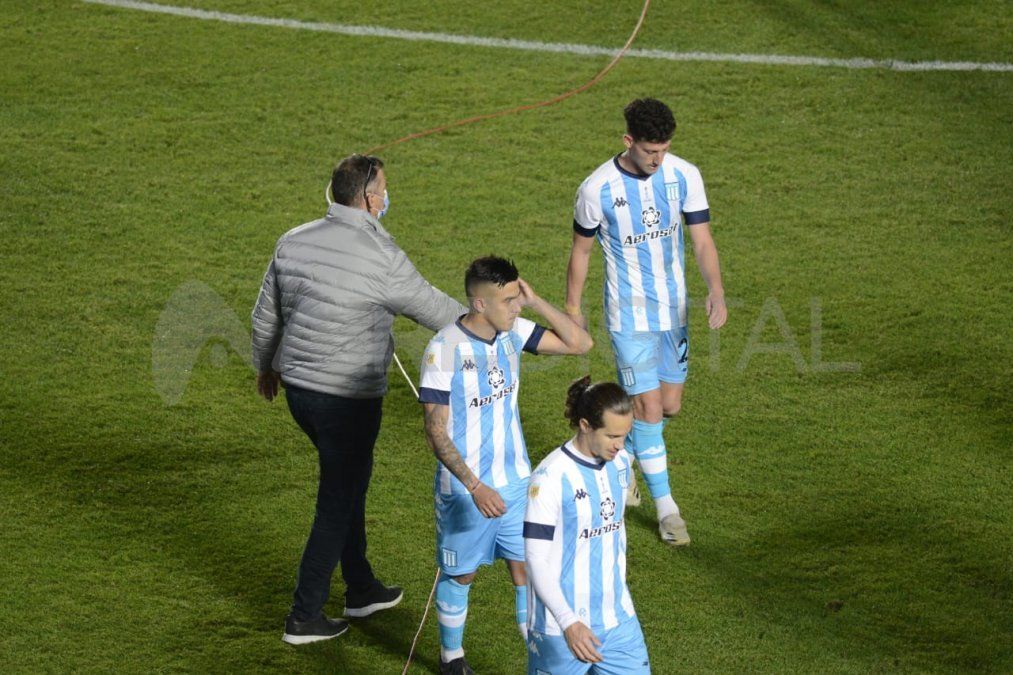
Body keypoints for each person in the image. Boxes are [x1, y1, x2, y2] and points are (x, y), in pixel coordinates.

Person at [251, 154, 466, 645]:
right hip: (348, 400)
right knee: (337, 498)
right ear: (370, 198)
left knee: (347, 483)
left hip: (300, 394)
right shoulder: (381, 256)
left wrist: (265, 368)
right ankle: (304, 616)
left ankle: (361, 587)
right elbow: (434, 308)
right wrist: (496, 326)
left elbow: (265, 318)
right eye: (385, 189)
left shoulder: (293, 240)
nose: (387, 196)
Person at [564, 97, 728, 546]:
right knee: (650, 409)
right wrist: (574, 310)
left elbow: (702, 240)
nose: (658, 159)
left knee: (667, 406)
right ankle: (668, 512)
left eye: (664, 150)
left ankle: (619, 464)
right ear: (628, 141)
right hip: (628, 317)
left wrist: (715, 289)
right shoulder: (596, 189)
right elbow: (581, 252)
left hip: (673, 315)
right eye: (650, 151)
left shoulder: (684, 175)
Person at [419, 256, 593, 675]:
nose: (516, 307)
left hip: (517, 484)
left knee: (531, 568)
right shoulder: (443, 350)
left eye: (518, 298)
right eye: (509, 300)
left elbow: (579, 344)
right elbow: (435, 431)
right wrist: (475, 486)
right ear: (480, 304)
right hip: (466, 492)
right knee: (462, 576)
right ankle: (452, 659)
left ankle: (541, 654)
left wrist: (536, 303)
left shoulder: (514, 331)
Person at [524, 377, 649, 674]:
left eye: (625, 436)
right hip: (561, 626)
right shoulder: (550, 478)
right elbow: (535, 559)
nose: (620, 446)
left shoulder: (620, 463)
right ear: (585, 425)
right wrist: (568, 622)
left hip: (618, 619)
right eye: (611, 436)